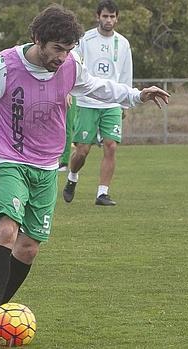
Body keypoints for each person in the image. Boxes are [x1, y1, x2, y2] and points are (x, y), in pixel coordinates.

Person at [0, 4, 169, 340]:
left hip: (46, 165)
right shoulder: (4, 65)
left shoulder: (70, 65)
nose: (62, 57)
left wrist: (136, 94)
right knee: (8, 230)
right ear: (37, 39)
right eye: (57, 49)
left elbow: (98, 87)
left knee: (28, 248)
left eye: (69, 49)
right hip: (7, 158)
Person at [62, 0, 133, 206]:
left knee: (111, 146)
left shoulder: (123, 43)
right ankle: (72, 177)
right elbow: (72, 66)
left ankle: (102, 193)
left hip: (111, 103)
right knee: (82, 150)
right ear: (98, 17)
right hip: (87, 101)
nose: (108, 20)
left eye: (112, 16)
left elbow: (126, 74)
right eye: (105, 16)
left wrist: (125, 102)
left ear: (116, 18)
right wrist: (67, 90)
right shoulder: (85, 40)